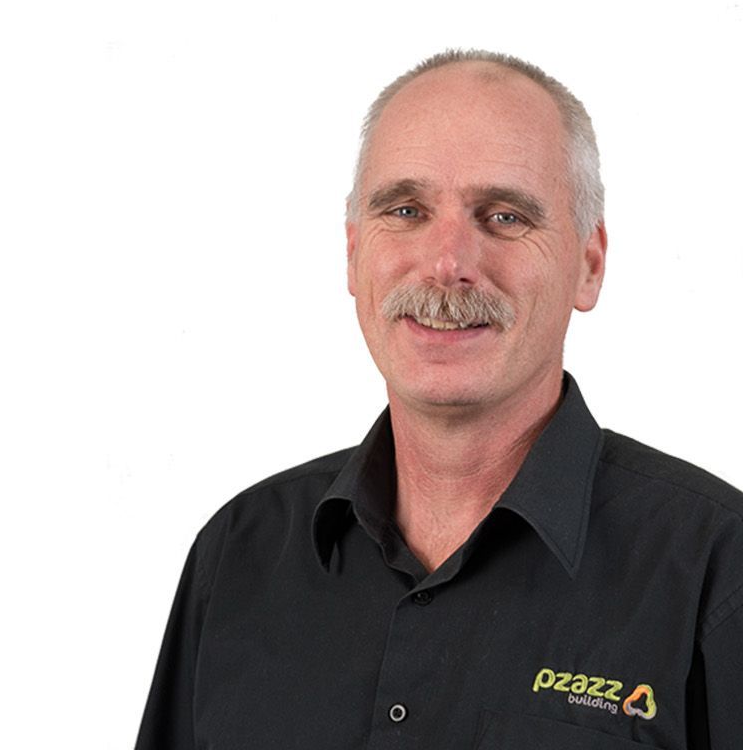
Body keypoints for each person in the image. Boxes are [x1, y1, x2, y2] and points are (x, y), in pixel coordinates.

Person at [133, 50, 742, 750]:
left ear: (589, 265)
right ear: (354, 254)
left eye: (506, 216)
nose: (448, 261)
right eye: (406, 209)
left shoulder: (716, 573)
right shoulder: (238, 557)